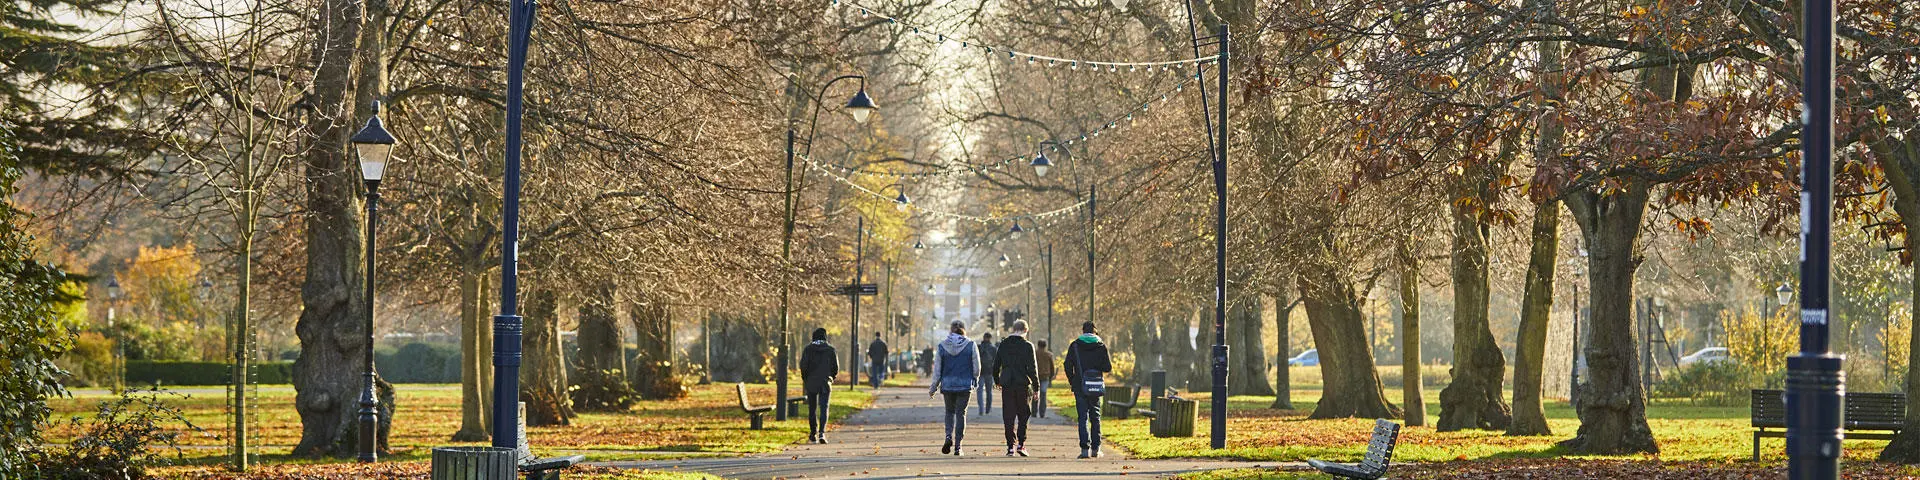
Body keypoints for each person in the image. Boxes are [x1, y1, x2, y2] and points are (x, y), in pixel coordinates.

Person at [929, 321, 980, 456]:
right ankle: (958, 446)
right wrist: (975, 379)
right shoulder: (971, 345)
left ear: (950, 331)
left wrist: (933, 387)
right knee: (961, 414)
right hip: (964, 385)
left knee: (949, 412)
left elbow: (937, 370)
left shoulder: (942, 346)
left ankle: (948, 436)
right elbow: (977, 367)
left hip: (948, 385)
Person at [1062, 321, 1112, 459]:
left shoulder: (1075, 345)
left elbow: (1067, 365)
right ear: (1095, 332)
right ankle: (1096, 449)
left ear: (1083, 331)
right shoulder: (1101, 346)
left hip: (1080, 385)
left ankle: (1085, 449)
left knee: (1082, 417)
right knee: (1095, 416)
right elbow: (1107, 367)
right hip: (1095, 385)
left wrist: (1073, 380)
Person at [993, 320, 1039, 457]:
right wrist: (1036, 387)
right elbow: (1032, 369)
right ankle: (1021, 444)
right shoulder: (1028, 346)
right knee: (1024, 414)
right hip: (1022, 384)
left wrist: (997, 381)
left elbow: (996, 366)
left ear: (1013, 329)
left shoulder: (1004, 344)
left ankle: (1010, 447)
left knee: (1008, 415)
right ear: (1025, 330)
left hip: (1007, 384)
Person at [799, 328, 838, 444]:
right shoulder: (831, 350)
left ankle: (812, 433)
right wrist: (831, 378)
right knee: (824, 407)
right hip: (825, 381)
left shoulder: (808, 349)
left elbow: (803, 366)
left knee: (812, 408)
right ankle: (822, 432)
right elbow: (835, 367)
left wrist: (805, 379)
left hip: (811, 381)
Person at [977, 332, 998, 415]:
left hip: (980, 372)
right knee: (989, 392)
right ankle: (988, 409)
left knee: (980, 391)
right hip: (989, 372)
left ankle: (981, 409)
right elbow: (996, 361)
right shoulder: (993, 348)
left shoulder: (979, 347)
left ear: (983, 337)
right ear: (990, 338)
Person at [1035, 339, 1055, 418]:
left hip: (1035, 376)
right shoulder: (1049, 355)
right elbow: (1052, 367)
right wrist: (1051, 376)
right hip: (1045, 377)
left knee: (1035, 394)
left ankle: (1033, 412)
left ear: (1038, 345)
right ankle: (1042, 413)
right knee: (1043, 395)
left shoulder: (1034, 354)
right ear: (1045, 346)